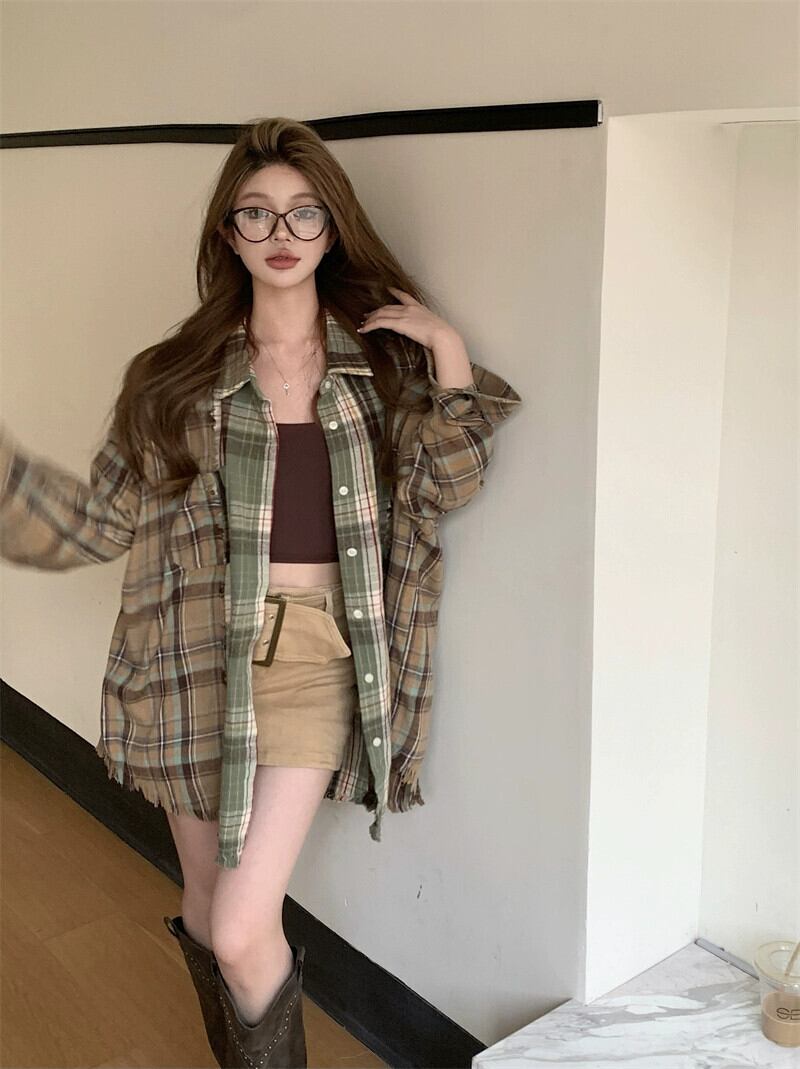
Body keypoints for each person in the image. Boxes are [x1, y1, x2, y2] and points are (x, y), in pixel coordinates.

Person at [0, 116, 521, 1067]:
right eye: (257, 212)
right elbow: (98, 521)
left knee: (243, 927)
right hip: (195, 651)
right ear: (229, 234)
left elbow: (445, 484)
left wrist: (447, 347)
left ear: (331, 228)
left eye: (304, 211)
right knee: (209, 914)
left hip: (319, 652)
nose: (281, 231)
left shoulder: (376, 368)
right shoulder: (174, 380)